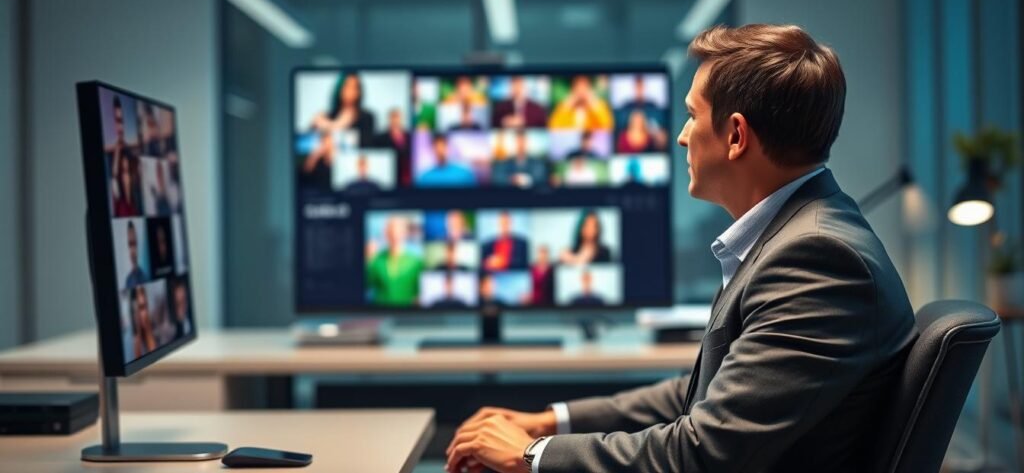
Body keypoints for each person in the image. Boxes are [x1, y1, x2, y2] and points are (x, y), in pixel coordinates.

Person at [447, 24, 916, 473]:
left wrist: (531, 455)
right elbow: (702, 398)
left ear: (735, 135)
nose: (681, 136)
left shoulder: (818, 259)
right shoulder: (797, 236)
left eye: (692, 115)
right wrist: (552, 421)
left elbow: (702, 455)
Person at [366, 216, 424, 306]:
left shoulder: (416, 262)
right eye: (391, 231)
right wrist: (367, 261)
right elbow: (364, 286)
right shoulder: (376, 260)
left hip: (406, 315)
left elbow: (420, 295)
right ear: (386, 233)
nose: (395, 235)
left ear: (405, 233)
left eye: (398, 231)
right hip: (380, 314)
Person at [310, 73, 376, 146]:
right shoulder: (327, 116)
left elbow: (366, 146)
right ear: (339, 89)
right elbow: (310, 144)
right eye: (347, 87)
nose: (351, 92)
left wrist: (338, 126)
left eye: (355, 88)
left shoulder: (367, 117)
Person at [547, 75, 613, 131]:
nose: (581, 89)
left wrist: (594, 103)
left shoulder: (599, 105)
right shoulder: (564, 107)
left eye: (584, 85)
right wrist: (567, 105)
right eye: (577, 85)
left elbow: (608, 126)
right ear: (573, 88)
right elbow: (553, 127)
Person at [374, 108, 411, 186]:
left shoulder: (409, 136)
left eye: (397, 117)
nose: (395, 120)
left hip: (405, 175)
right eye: (393, 117)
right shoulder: (381, 137)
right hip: (388, 174)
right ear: (389, 119)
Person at [111, 149, 142, 217]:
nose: (125, 163)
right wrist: (117, 151)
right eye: (123, 161)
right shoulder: (119, 176)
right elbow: (114, 173)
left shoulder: (133, 175)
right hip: (123, 207)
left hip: (132, 205)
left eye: (126, 161)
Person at [130, 285, 157, 358]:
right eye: (136, 309)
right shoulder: (130, 342)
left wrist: (148, 331)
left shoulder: (155, 331)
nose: (139, 315)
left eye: (143, 307)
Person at [123, 221, 148, 289]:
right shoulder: (128, 280)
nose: (133, 250)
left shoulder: (145, 277)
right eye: (130, 244)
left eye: (134, 244)